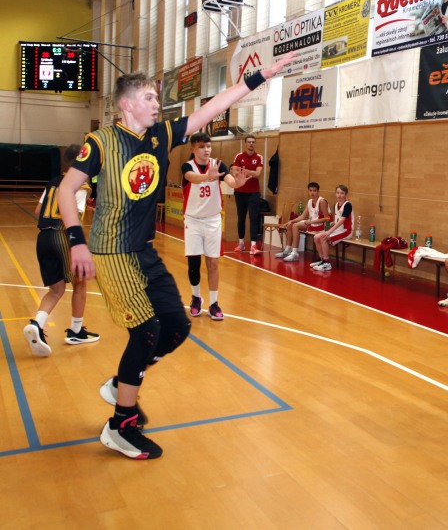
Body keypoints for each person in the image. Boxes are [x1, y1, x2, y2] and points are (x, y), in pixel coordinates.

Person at [56, 52, 296, 460]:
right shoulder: (101, 142)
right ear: (127, 104)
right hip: (112, 250)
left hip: (143, 250)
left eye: (157, 97)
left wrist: (260, 77)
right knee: (146, 331)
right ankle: (121, 424)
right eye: (149, 97)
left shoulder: (161, 135)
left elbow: (212, 108)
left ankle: (121, 384)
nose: (157, 103)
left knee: (176, 327)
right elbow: (66, 190)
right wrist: (77, 240)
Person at [23, 144, 100, 357]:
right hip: (61, 235)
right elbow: (71, 215)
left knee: (56, 289)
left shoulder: (53, 181)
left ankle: (37, 324)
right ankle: (76, 331)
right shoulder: (80, 185)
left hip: (43, 237)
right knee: (80, 282)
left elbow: (38, 210)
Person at [182, 132, 247, 321]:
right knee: (194, 263)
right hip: (193, 220)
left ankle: (213, 303)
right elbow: (192, 178)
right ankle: (196, 298)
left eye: (208, 146)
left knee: (213, 263)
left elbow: (229, 180)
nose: (206, 150)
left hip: (212, 221)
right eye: (202, 146)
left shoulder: (218, 165)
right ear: (193, 149)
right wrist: (206, 177)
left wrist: (237, 183)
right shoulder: (188, 166)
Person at [276, 182, 329, 262]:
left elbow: (327, 218)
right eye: (310, 190)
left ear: (318, 191)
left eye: (314, 191)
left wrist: (311, 222)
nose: (312, 193)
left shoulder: (322, 201)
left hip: (321, 226)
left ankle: (294, 252)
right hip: (313, 224)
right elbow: (303, 216)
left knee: (295, 226)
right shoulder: (310, 201)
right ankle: (287, 249)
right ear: (308, 191)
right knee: (291, 224)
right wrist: (291, 221)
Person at [232, 134, 264, 255]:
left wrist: (244, 170)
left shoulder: (259, 157)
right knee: (241, 218)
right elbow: (235, 171)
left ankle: (253, 245)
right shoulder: (239, 156)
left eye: (253, 142)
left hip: (253, 193)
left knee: (253, 218)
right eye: (249, 142)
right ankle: (241, 244)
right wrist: (250, 172)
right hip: (240, 192)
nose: (251, 144)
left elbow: (257, 174)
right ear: (245, 143)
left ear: (255, 144)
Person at [310, 184, 353, 271]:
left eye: (342, 193)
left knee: (323, 237)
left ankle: (326, 263)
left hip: (346, 231)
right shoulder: (336, 204)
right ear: (335, 193)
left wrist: (329, 232)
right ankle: (322, 259)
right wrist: (331, 223)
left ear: (346, 194)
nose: (339, 195)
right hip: (338, 229)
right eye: (338, 193)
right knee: (316, 237)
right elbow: (338, 220)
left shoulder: (348, 205)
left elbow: (342, 220)